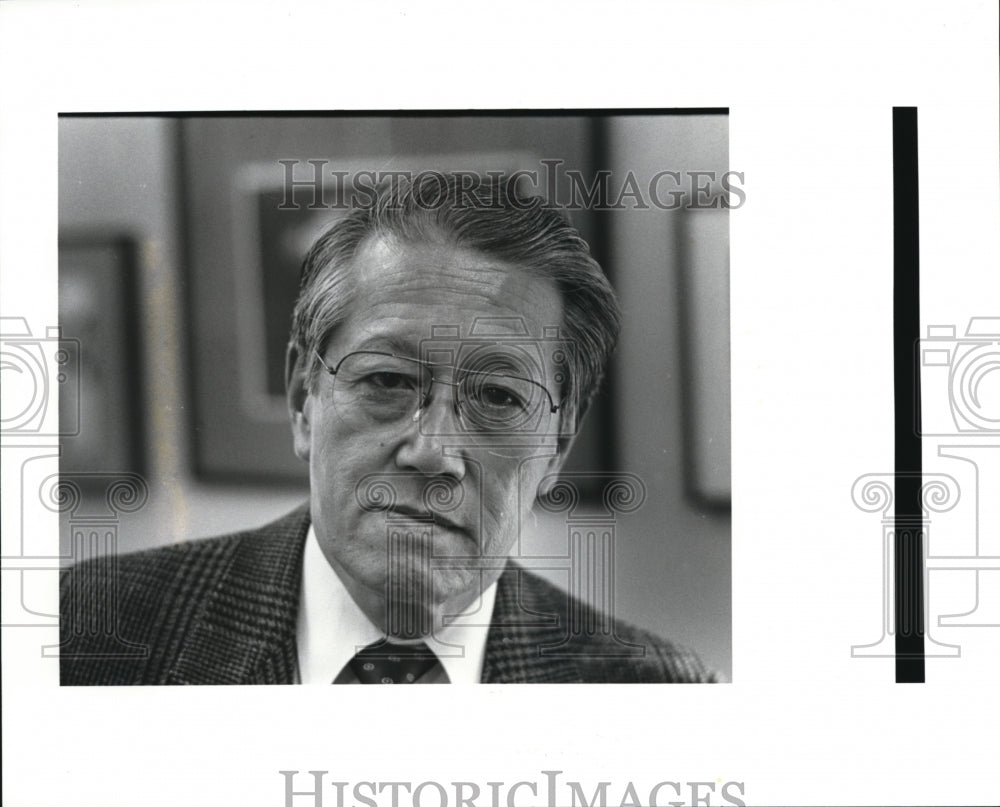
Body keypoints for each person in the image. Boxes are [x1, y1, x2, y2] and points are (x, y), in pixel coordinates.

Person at [59, 174, 717, 684]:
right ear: (302, 397)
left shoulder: (663, 693)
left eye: (496, 395)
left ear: (557, 447)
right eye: (387, 381)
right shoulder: (84, 631)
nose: (433, 453)